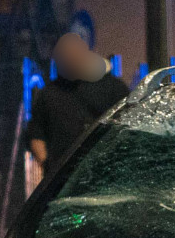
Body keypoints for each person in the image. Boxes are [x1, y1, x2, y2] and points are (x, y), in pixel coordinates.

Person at [26, 32, 127, 172]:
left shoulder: (113, 87)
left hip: (106, 172)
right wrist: (49, 168)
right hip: (64, 177)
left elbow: (128, 128)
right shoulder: (49, 94)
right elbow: (36, 136)